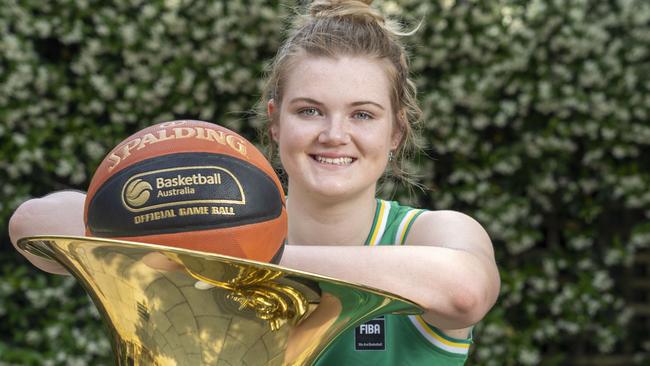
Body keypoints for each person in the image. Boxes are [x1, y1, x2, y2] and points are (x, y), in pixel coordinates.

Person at [9, 1, 500, 364]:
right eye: (309, 110)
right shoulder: (207, 228)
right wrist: (206, 233)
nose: (334, 135)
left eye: (362, 115)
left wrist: (240, 258)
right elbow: (30, 227)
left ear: (395, 132)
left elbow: (465, 292)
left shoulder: (431, 235)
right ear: (275, 123)